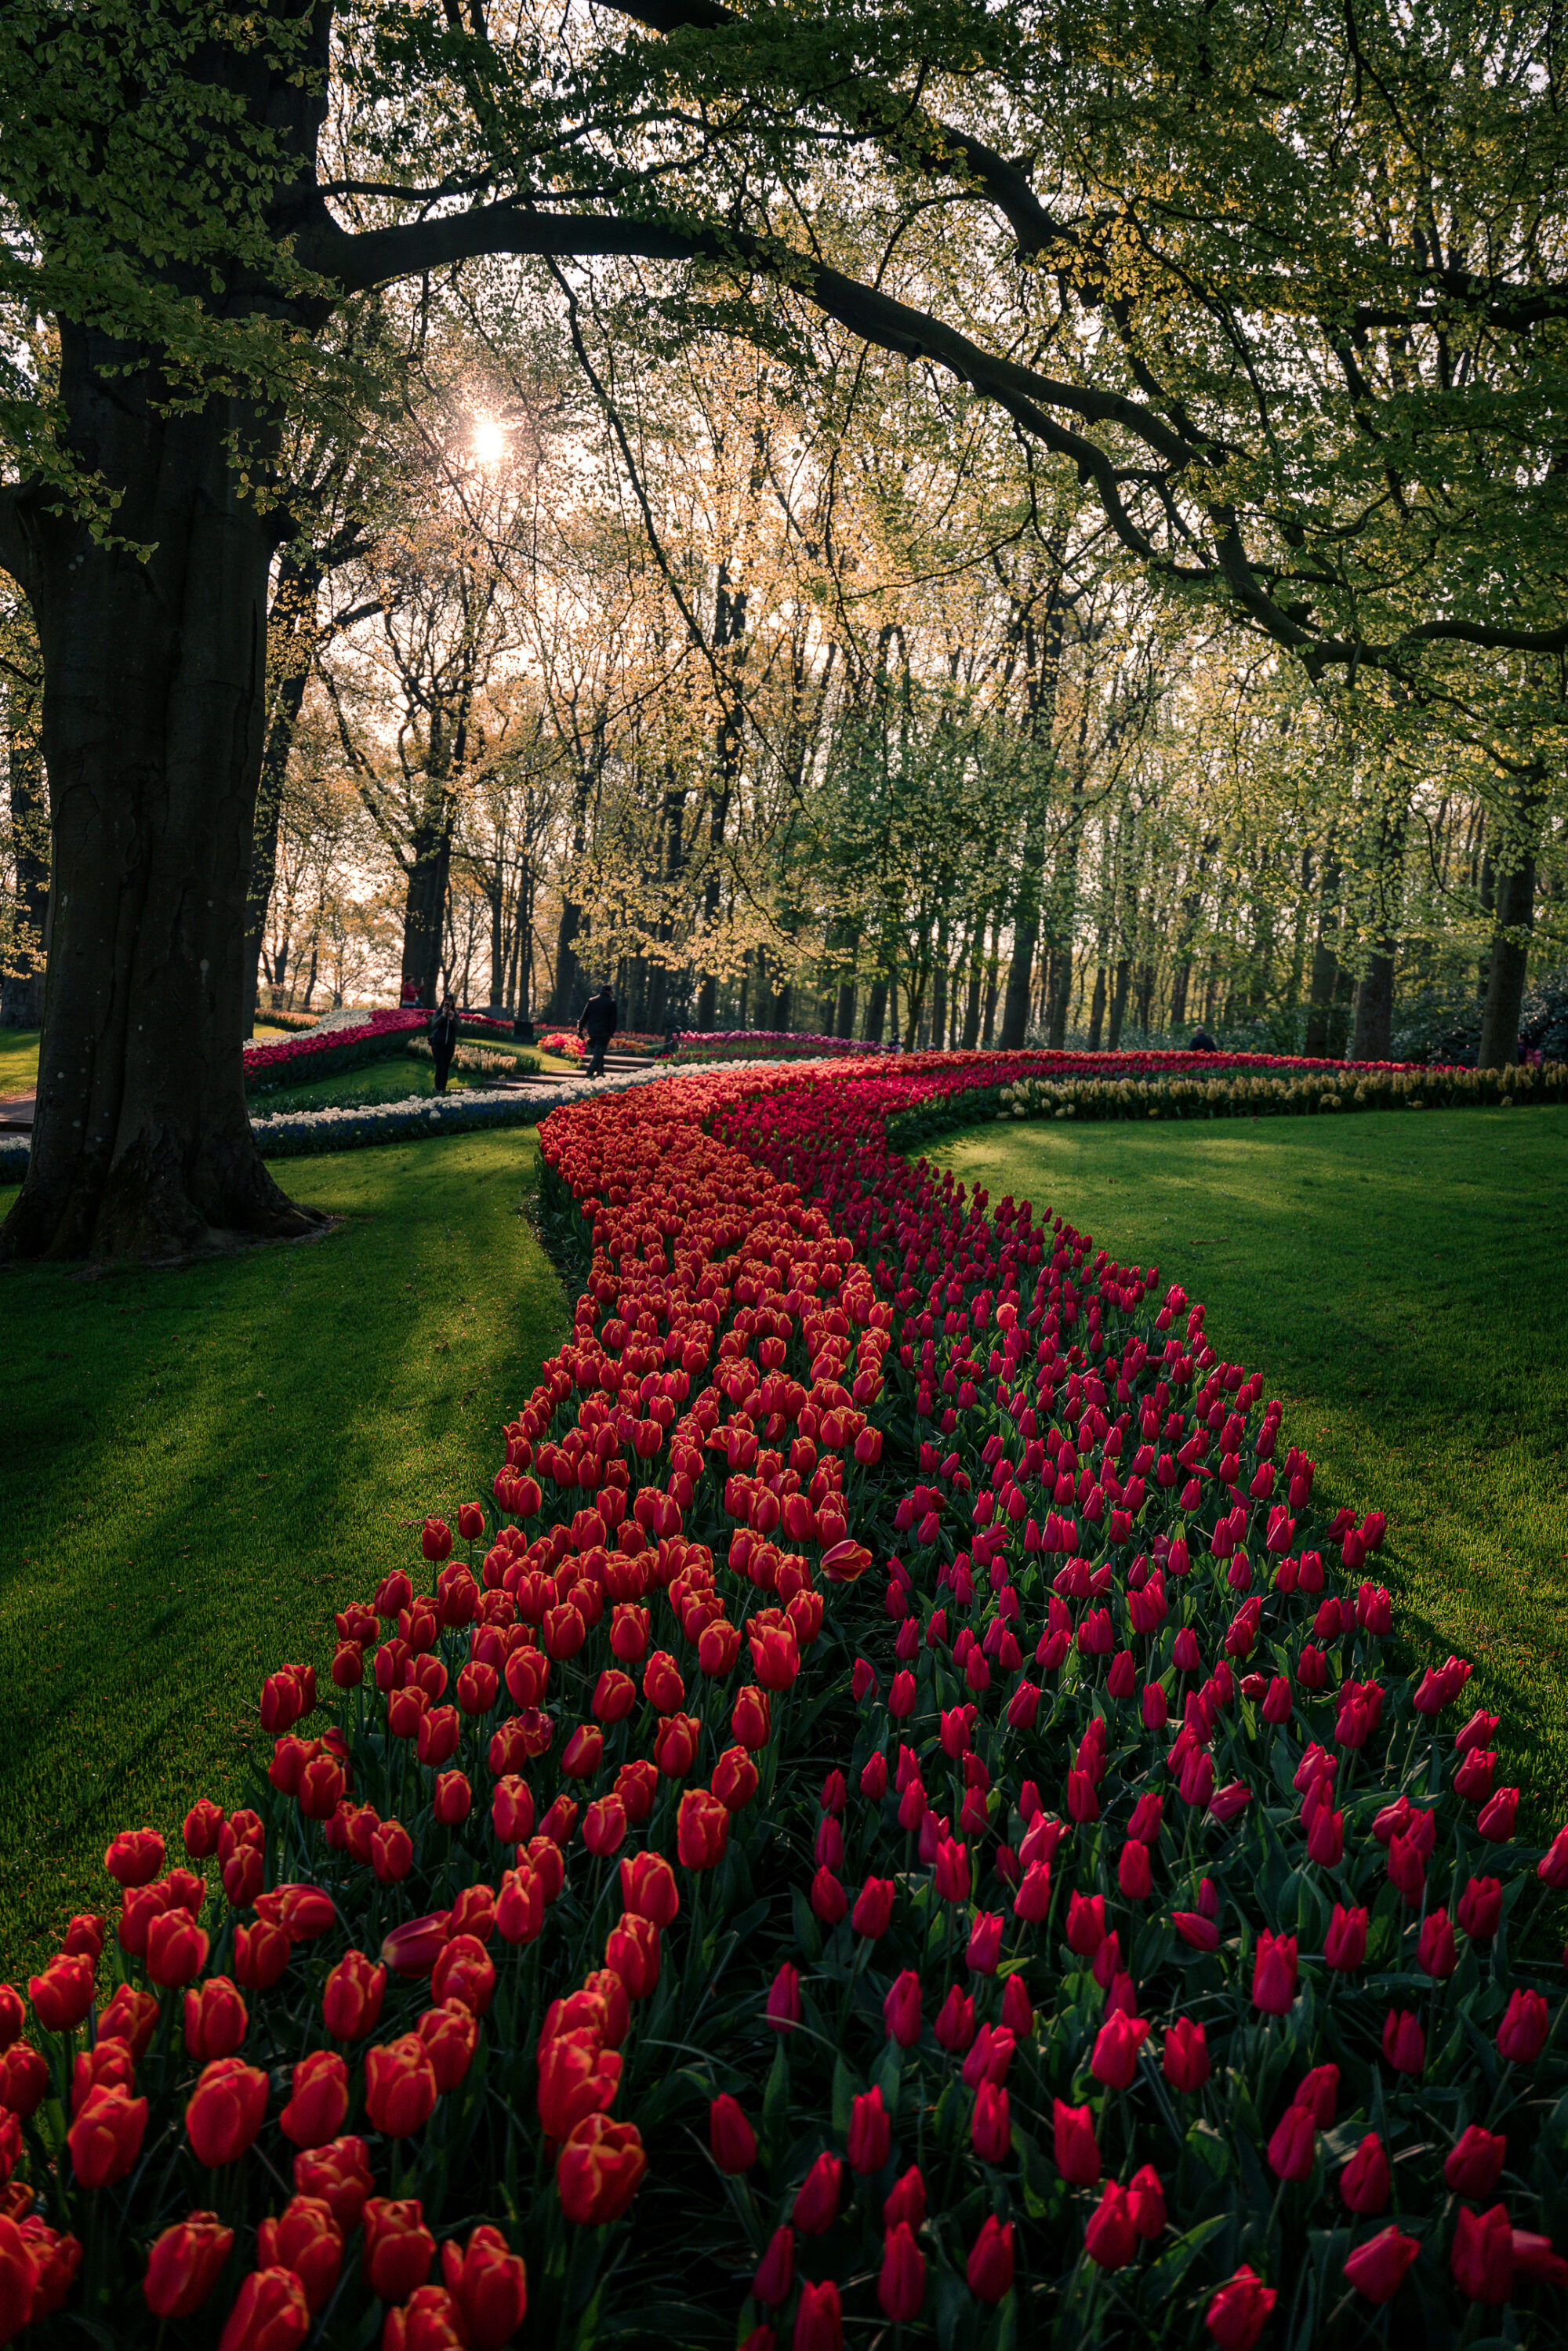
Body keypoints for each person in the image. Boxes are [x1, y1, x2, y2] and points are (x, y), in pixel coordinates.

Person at [578, 983, 618, 1077]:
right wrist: (611, 1033)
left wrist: (580, 1029)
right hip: (604, 1032)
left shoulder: (592, 1001)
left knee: (600, 1051)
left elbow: (584, 1017)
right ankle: (589, 1072)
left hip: (592, 1031)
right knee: (598, 1053)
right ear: (609, 992)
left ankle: (600, 1072)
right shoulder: (611, 1002)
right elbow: (613, 1020)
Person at [430, 993, 459, 1094]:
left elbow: (458, 1028)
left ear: (452, 1002)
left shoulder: (455, 1013)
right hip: (438, 1044)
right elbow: (434, 1025)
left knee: (446, 1068)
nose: (448, 1002)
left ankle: (443, 1089)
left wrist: (452, 1019)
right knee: (440, 1067)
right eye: (446, 1000)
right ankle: (438, 1089)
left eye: (450, 1000)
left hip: (449, 1045)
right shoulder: (438, 1012)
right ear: (443, 1001)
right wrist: (443, 1015)